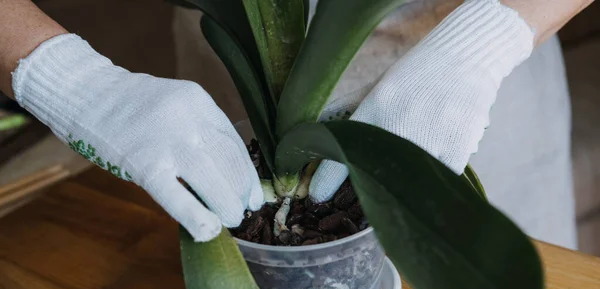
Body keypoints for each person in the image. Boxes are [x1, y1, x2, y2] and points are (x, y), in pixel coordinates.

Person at [0, 0, 594, 244]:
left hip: (462, 64)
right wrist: (66, 78)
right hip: (238, 48)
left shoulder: (474, 53)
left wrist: (485, 44)